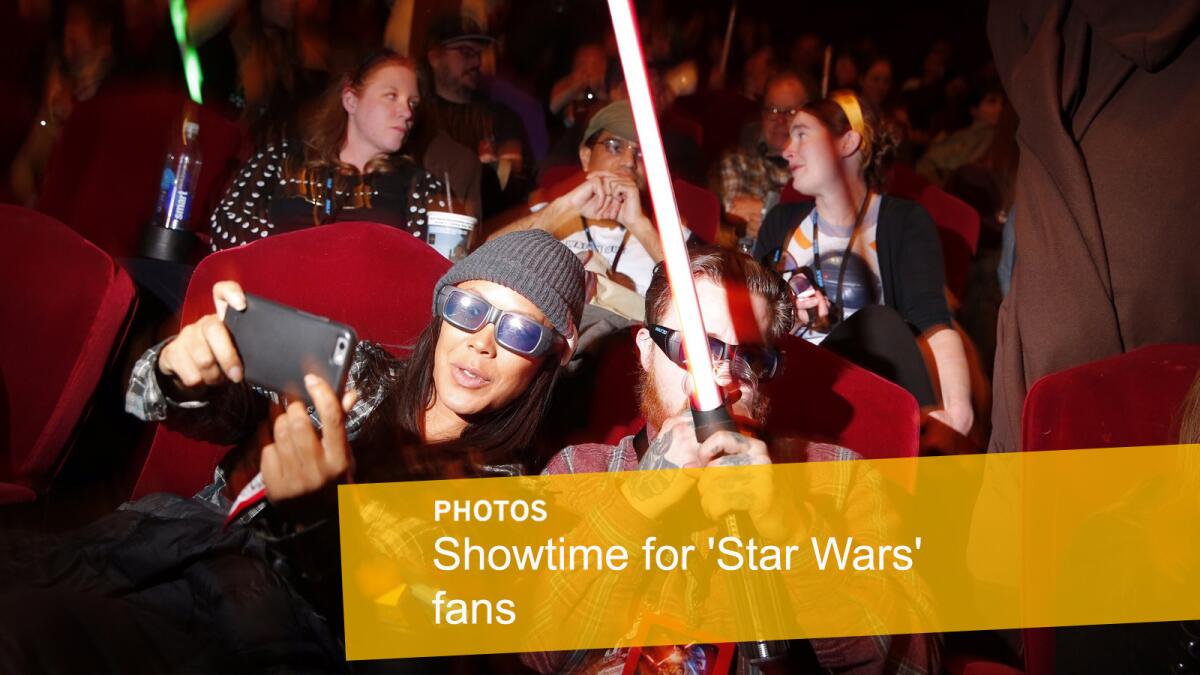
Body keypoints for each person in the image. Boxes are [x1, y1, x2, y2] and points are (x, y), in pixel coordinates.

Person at [0, 230, 586, 672]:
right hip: (159, 550)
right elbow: (193, 406)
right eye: (469, 308)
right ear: (442, 309)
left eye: (520, 331)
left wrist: (315, 523)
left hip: (257, 637)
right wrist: (183, 372)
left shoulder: (506, 501)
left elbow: (406, 640)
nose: (482, 343)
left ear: (550, 358)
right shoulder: (356, 373)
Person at [525, 246, 941, 674]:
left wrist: (792, 527)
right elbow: (529, 652)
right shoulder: (580, 471)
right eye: (698, 349)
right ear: (647, 351)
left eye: (751, 357)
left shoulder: (838, 476)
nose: (723, 377)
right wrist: (634, 505)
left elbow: (910, 663)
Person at [754, 91, 973, 436]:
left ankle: (920, 452)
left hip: (870, 391)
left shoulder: (903, 222)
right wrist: (784, 314)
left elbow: (932, 321)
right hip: (790, 385)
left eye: (802, 134)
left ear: (848, 142)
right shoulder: (781, 222)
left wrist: (957, 413)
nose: (786, 150)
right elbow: (750, 319)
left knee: (879, 325)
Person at [209, 50, 449, 252]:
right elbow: (227, 224)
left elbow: (422, 266)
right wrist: (303, 256)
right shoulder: (281, 159)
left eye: (412, 103)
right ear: (350, 100)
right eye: (391, 96)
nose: (407, 113)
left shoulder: (419, 186)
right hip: (272, 299)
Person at [489, 101, 675, 300]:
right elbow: (485, 259)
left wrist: (640, 226)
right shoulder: (549, 217)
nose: (629, 162)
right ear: (586, 156)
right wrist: (568, 206)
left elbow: (701, 306)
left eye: (641, 154)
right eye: (615, 146)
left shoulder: (671, 239)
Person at [422, 13, 531, 213]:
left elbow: (516, 189)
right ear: (435, 57)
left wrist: (500, 171)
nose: (476, 63)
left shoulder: (501, 118)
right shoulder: (417, 118)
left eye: (478, 54)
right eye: (465, 52)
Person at [715, 71, 810, 241]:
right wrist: (792, 209)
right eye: (773, 110)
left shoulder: (817, 165)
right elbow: (736, 212)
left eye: (791, 112)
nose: (780, 121)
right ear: (762, 113)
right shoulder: (737, 160)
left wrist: (765, 209)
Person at [915, 82, 1005, 186]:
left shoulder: (992, 137)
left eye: (1001, 103)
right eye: (992, 102)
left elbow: (961, 168)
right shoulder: (958, 132)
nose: (999, 108)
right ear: (974, 110)